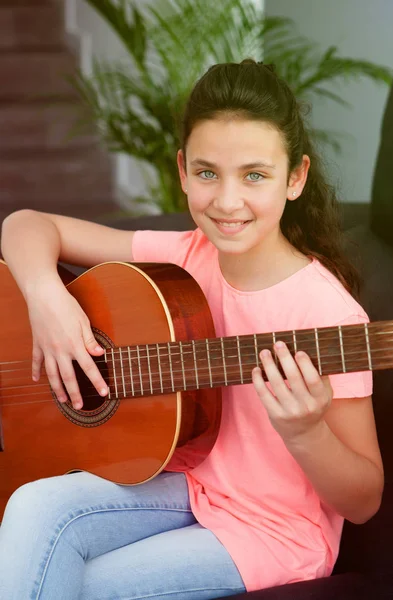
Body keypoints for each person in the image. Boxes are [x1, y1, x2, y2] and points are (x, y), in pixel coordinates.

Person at [0, 59, 384, 600]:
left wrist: (308, 433)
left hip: (272, 531)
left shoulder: (329, 315)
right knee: (32, 505)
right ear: (182, 171)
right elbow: (25, 225)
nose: (227, 201)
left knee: (82, 585)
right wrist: (47, 301)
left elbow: (364, 499)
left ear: (295, 177)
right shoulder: (184, 259)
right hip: (190, 485)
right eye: (208, 173)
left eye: (255, 174)